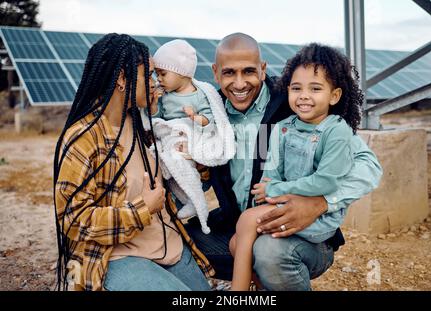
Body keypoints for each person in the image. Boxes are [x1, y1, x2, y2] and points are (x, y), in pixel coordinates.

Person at [185, 33, 382, 291]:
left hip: (306, 235)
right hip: (245, 225)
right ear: (215, 72)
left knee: (270, 253)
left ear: (263, 69)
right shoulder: (211, 111)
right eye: (229, 73)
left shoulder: (295, 104)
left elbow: (368, 166)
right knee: (173, 241)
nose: (240, 83)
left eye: (249, 71)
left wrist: (321, 203)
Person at [53, 33, 212, 291]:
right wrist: (142, 210)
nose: (155, 84)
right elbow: (72, 220)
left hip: (168, 243)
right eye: (148, 75)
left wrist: (196, 159)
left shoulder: (143, 123)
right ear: (122, 79)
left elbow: (188, 180)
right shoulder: (85, 137)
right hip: (116, 255)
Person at [143, 39, 235, 234]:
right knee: (166, 161)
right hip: (171, 136)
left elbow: (211, 121)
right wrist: (153, 106)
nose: (158, 79)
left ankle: (195, 200)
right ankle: (186, 199)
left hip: (191, 136)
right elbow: (157, 120)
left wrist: (195, 117)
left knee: (183, 165)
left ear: (182, 72)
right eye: (156, 74)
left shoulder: (200, 95)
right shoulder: (164, 95)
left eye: (162, 74)